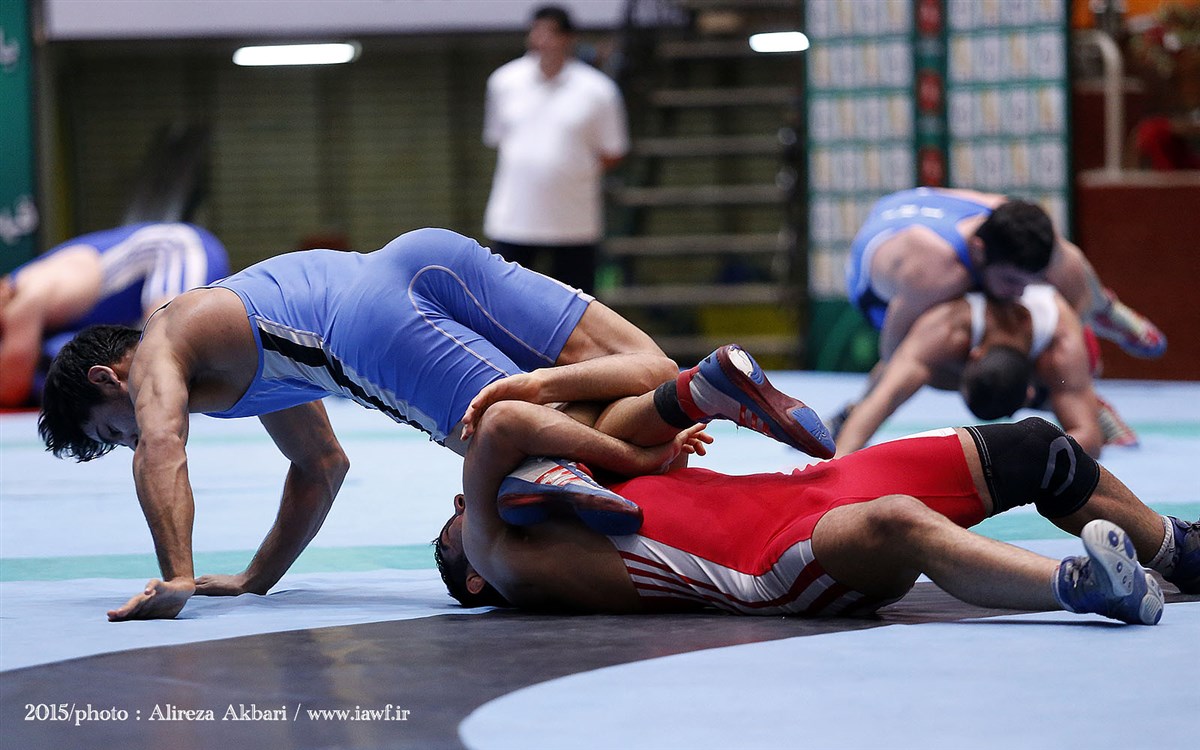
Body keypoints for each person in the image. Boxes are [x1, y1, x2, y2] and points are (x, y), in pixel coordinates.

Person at [36, 225, 832, 622]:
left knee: (522, 453)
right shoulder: (241, 343)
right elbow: (320, 467)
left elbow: (163, 447)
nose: (131, 437)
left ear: (111, 377)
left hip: (367, 329)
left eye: (111, 430)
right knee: (650, 368)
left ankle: (594, 426)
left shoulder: (161, 342)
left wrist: (177, 577)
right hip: (426, 254)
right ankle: (702, 386)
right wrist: (255, 577)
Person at [436, 401, 1199, 625]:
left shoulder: (572, 494)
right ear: (473, 580)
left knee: (1034, 447)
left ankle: (1178, 553)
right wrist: (630, 455)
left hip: (807, 487)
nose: (465, 502)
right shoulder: (505, 559)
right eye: (457, 518)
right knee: (897, 519)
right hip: (773, 563)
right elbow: (502, 426)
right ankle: (1085, 587)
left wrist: (646, 449)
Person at [844, 187, 1166, 362]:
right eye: (1013, 281)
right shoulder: (934, 274)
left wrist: (1080, 334)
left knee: (1058, 255)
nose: (1021, 292)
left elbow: (1069, 265)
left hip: (922, 202)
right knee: (965, 334)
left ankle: (1105, 308)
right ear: (980, 252)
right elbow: (894, 356)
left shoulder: (1009, 221)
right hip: (873, 285)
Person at [832, 284, 1137, 458]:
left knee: (1069, 391)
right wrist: (839, 460)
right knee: (899, 366)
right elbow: (887, 395)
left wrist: (1017, 456)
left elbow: (1089, 441)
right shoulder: (948, 327)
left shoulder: (1060, 349)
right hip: (972, 350)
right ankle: (856, 411)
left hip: (1069, 348)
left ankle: (1093, 392)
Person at [0, 222, 230, 408]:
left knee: (161, 354)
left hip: (177, 251)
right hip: (154, 280)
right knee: (62, 359)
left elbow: (11, 389)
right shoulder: (25, 307)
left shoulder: (26, 297)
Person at [482, 4, 629, 295]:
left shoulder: (598, 90)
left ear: (569, 38)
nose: (543, 41)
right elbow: (497, 138)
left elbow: (613, 151)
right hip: (514, 218)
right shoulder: (504, 82)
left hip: (574, 221)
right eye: (536, 32)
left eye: (551, 33)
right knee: (504, 302)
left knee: (578, 304)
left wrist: (571, 171)